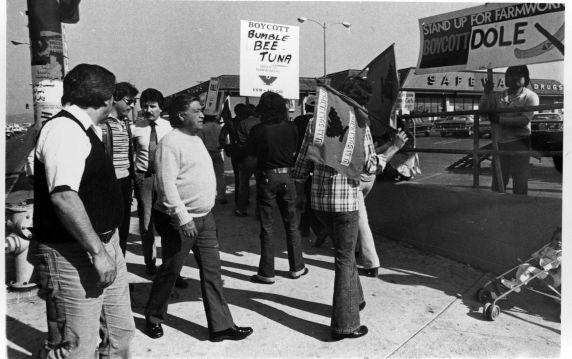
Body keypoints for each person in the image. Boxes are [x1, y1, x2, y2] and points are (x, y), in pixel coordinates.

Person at [31, 63, 135, 357]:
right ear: (106, 100)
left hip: (104, 244)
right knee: (79, 347)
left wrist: (107, 248)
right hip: (74, 253)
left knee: (120, 335)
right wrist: (98, 253)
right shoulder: (64, 130)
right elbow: (64, 197)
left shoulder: (84, 129)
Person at [291, 83, 408, 340]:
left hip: (319, 202)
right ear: (360, 102)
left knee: (343, 255)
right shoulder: (359, 125)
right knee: (345, 260)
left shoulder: (316, 122)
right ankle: (345, 324)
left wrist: (300, 194)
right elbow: (369, 166)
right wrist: (394, 147)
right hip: (345, 204)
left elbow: (301, 162)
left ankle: (355, 299)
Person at [144, 94, 253, 342]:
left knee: (213, 271)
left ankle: (221, 326)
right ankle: (153, 317)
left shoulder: (196, 138)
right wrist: (183, 218)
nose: (202, 114)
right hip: (181, 221)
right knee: (171, 271)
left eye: (201, 110)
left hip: (205, 218)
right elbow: (166, 186)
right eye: (196, 111)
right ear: (182, 115)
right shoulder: (170, 143)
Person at [248, 91, 308, 284]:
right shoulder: (291, 128)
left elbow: (253, 153)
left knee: (267, 226)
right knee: (292, 224)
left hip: (267, 176)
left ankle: (267, 272)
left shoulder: (258, 130)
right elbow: (295, 149)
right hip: (287, 175)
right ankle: (297, 267)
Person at [479, 65, 539, 195]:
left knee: (520, 182)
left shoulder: (531, 96)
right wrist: (486, 93)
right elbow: (483, 111)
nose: (513, 77)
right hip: (500, 143)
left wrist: (499, 120)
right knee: (498, 182)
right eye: (510, 74)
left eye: (518, 74)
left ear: (526, 79)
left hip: (521, 143)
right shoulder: (499, 96)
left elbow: (524, 120)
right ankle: (497, 210)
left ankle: (519, 211)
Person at [131, 88, 172, 276]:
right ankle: (150, 264)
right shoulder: (135, 128)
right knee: (146, 223)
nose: (148, 110)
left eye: (152, 106)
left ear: (160, 108)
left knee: (169, 222)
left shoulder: (170, 127)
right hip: (144, 178)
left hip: (165, 178)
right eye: (145, 106)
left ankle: (171, 267)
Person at [99, 82, 138, 257]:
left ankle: (120, 266)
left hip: (125, 181)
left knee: (123, 228)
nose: (132, 106)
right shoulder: (102, 126)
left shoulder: (126, 124)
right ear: (115, 99)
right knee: (108, 229)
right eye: (129, 101)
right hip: (109, 183)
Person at [293, 95, 327, 245]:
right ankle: (309, 227)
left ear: (306, 107)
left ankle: (311, 227)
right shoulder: (323, 123)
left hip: (302, 161)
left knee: (305, 196)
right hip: (318, 162)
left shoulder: (298, 121)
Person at [234, 104, 260, 217]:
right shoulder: (261, 123)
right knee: (261, 185)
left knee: (243, 184)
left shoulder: (243, 123)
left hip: (248, 157)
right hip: (261, 157)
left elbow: (241, 142)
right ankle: (259, 211)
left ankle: (241, 209)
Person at [219, 103, 247, 208]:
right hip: (248, 153)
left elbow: (221, 138)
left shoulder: (230, 123)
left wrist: (227, 147)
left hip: (236, 152)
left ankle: (239, 202)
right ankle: (244, 200)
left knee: (238, 179)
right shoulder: (248, 123)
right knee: (245, 178)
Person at [198, 115, 227, 204]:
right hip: (218, 152)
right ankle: (221, 195)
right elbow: (224, 141)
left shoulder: (202, 128)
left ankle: (207, 196)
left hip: (206, 153)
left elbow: (200, 142)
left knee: (205, 176)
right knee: (220, 176)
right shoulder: (219, 127)